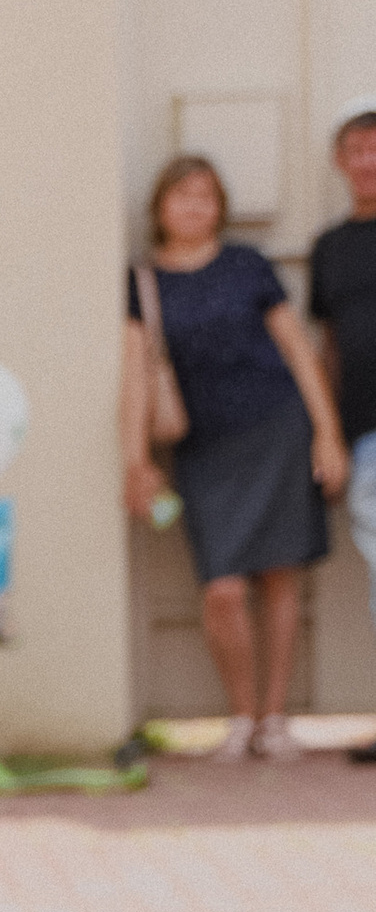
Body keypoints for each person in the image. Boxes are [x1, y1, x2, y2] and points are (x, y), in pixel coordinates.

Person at [122, 153, 349, 760]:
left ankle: (272, 720)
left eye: (207, 196)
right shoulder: (144, 281)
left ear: (220, 208)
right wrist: (135, 460)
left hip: (276, 430)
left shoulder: (249, 266)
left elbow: (299, 351)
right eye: (183, 195)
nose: (195, 205)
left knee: (280, 575)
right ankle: (239, 716)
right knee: (221, 587)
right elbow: (137, 376)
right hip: (203, 448)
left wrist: (327, 434)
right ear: (160, 207)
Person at [308, 107, 376, 763]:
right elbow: (328, 346)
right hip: (365, 434)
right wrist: (327, 434)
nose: (367, 161)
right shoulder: (331, 247)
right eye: (355, 151)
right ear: (340, 163)